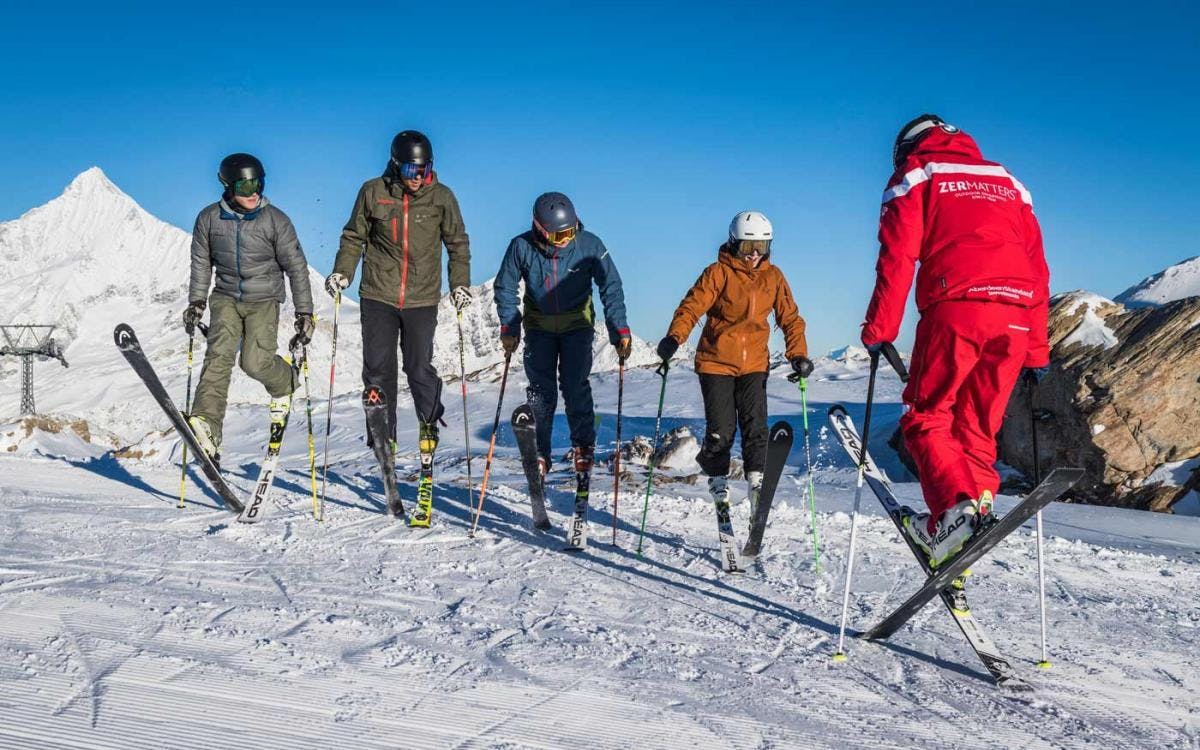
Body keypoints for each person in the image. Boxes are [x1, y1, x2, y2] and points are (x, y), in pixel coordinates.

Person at [861, 114, 1050, 567]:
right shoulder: (1008, 181)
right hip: (1016, 318)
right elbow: (1038, 268)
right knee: (976, 429)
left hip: (957, 308)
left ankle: (953, 516)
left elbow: (897, 258)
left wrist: (880, 330)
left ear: (905, 148)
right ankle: (974, 516)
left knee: (925, 417)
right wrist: (1036, 350)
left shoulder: (917, 174)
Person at [325, 130, 471, 473]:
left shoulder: (442, 197)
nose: (417, 178)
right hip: (378, 294)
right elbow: (353, 236)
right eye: (410, 170)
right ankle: (382, 435)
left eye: (424, 170)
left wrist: (460, 284)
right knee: (378, 368)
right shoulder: (373, 192)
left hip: (422, 297)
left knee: (418, 367)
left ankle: (428, 424)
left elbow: (457, 243)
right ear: (395, 165)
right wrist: (343, 272)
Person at [657, 211, 811, 532]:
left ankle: (756, 487)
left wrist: (798, 355)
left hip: (754, 364)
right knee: (721, 432)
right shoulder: (717, 273)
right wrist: (674, 337)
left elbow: (790, 319)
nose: (754, 254)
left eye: (761, 247)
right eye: (747, 246)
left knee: (756, 427)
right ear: (733, 243)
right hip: (716, 363)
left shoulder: (774, 277)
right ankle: (718, 484)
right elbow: (691, 307)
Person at [184, 153, 315, 465]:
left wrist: (305, 313)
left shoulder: (276, 221)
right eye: (245, 186)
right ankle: (207, 427)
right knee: (218, 358)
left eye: (258, 183)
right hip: (225, 297)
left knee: (255, 363)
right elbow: (201, 264)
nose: (253, 191)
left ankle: (286, 382)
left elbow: (296, 267)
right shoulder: (208, 219)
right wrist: (196, 302)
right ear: (229, 187)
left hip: (264, 299)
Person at [493, 192, 631, 483]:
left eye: (571, 231)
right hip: (539, 328)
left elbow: (611, 285)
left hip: (577, 326)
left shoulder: (590, 245)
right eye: (560, 235)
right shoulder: (521, 246)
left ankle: (583, 447)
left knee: (574, 385)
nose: (567, 239)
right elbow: (505, 287)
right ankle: (540, 454)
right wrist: (509, 326)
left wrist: (618, 328)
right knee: (541, 392)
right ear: (541, 230)